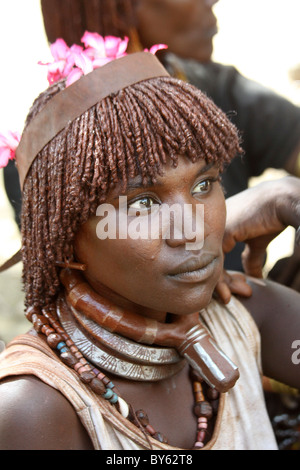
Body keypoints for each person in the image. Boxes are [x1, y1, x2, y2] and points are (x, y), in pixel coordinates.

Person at [0, 45, 300, 451]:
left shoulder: (245, 316)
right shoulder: (34, 410)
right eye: (143, 202)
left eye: (203, 184)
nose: (192, 229)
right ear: (65, 241)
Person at [40, 0, 300, 276]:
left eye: (204, 184)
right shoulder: (52, 166)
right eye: (143, 203)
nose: (213, 0)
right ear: (117, 9)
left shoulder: (217, 90)